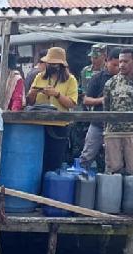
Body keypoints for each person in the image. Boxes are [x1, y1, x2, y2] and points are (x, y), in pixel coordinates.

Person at [26, 47, 78, 175]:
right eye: (49, 63)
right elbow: (30, 102)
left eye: (54, 64)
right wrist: (32, 93)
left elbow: (71, 103)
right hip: (38, 125)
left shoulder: (70, 80)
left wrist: (57, 94)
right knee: (37, 160)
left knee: (54, 162)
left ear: (61, 65)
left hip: (58, 126)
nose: (50, 66)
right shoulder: (39, 77)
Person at [103, 47, 133, 175]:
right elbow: (106, 108)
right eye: (120, 62)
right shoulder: (110, 83)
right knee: (113, 170)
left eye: (126, 61)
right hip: (113, 131)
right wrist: (106, 130)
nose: (122, 65)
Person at [78, 48, 120, 169]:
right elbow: (86, 100)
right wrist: (102, 100)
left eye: (120, 65)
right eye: (115, 65)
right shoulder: (97, 77)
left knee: (113, 161)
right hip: (97, 124)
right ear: (107, 61)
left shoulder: (126, 79)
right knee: (87, 156)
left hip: (117, 127)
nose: (118, 68)